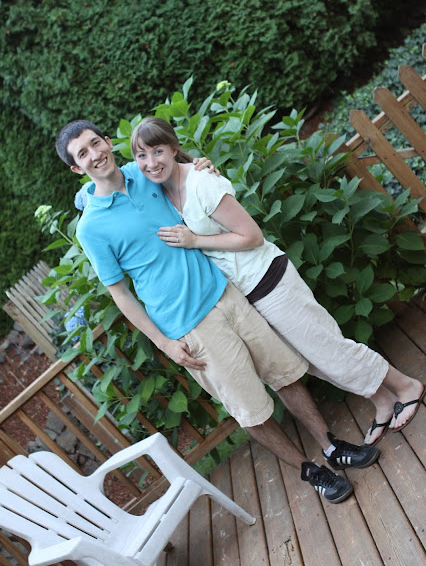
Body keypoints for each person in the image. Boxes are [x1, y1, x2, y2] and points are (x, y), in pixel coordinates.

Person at [56, 119, 381, 506]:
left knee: (285, 374)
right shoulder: (91, 228)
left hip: (225, 293)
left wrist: (201, 164)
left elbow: (182, 174)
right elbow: (120, 295)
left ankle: (331, 446)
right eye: (83, 154)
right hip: (189, 326)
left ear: (108, 142)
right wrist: (164, 343)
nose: (95, 154)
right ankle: (311, 471)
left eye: (96, 143)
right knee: (251, 409)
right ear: (76, 168)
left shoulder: (143, 170)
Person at [130, 117, 425, 446]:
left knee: (327, 348)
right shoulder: (161, 192)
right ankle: (383, 400)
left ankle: (405, 386)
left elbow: (251, 236)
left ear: (173, 148)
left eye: (158, 151)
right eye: (142, 155)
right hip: (242, 295)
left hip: (267, 280)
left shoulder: (201, 183)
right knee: (311, 362)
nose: (151, 162)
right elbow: (110, 183)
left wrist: (195, 240)